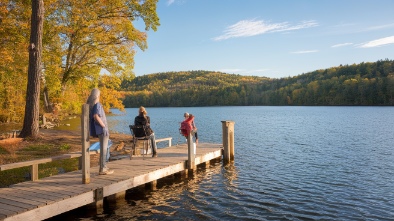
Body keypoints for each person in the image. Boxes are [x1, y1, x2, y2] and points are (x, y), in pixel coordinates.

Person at [87, 88, 114, 175]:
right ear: (98, 96)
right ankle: (103, 168)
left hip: (100, 131)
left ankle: (103, 167)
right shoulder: (97, 105)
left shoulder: (92, 105)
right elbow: (96, 116)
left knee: (104, 149)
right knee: (104, 150)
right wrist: (104, 126)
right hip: (103, 131)